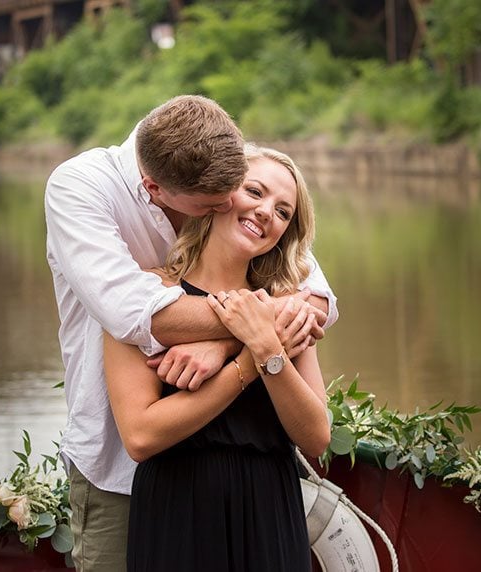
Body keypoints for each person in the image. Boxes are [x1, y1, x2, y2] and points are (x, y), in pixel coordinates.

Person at [44, 95, 338, 572]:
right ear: (155, 189)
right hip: (132, 479)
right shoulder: (83, 190)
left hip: (266, 506)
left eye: (281, 211)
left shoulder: (211, 160)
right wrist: (247, 346)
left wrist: (241, 335)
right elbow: (136, 317)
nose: (239, 204)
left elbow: (313, 297)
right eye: (230, 197)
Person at [103, 144, 329, 572]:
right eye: (255, 192)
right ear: (222, 194)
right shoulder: (147, 297)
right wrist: (247, 362)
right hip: (177, 508)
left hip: (270, 508)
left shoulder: (283, 307)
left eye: (283, 212)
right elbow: (140, 436)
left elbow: (316, 437)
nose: (266, 213)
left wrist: (269, 348)